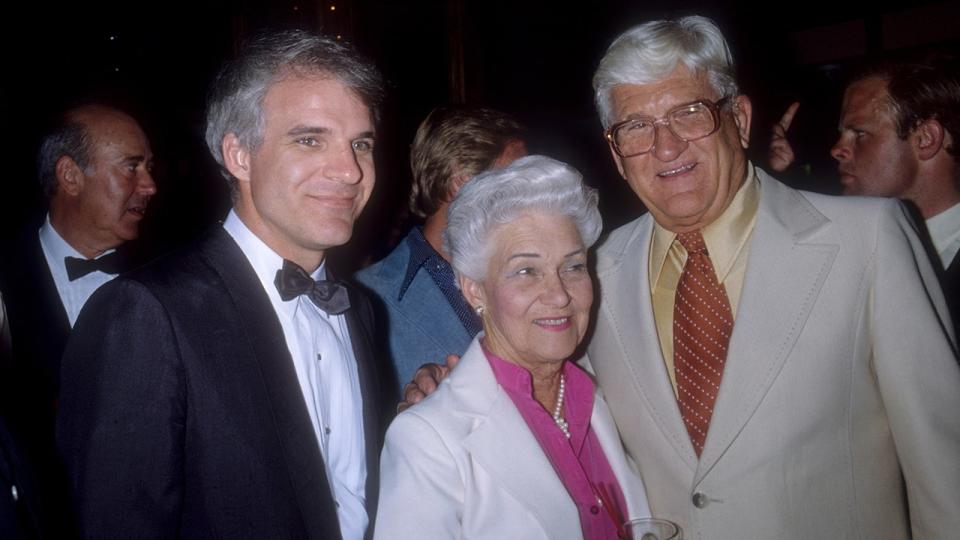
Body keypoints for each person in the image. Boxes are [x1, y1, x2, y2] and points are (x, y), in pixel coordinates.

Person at [410, 16, 960, 538]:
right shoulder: (591, 272)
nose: (665, 146)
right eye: (636, 127)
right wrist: (452, 393)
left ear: (739, 120)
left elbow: (946, 469)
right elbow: (551, 397)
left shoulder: (867, 240)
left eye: (689, 113)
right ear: (617, 154)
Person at [57, 29, 387, 539]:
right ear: (238, 155)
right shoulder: (146, 313)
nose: (349, 171)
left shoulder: (359, 309)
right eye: (309, 139)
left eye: (360, 143)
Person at [376, 155, 650, 539]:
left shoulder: (599, 400)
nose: (558, 295)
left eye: (572, 267)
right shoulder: (427, 440)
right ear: (474, 290)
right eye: (526, 271)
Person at [769, 56, 960, 337]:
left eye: (859, 133)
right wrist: (772, 182)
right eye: (842, 133)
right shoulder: (847, 250)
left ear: (926, 139)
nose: (837, 149)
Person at [355, 105, 526, 394]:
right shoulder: (362, 299)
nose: (531, 198)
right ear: (461, 182)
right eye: (516, 182)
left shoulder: (529, 279)